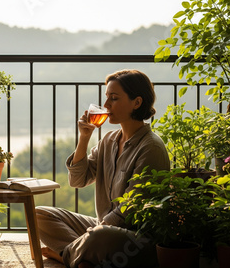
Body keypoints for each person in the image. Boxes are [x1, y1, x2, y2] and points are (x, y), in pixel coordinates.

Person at [36, 69, 170, 268]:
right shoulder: (109, 141)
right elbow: (78, 180)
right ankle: (82, 255)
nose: (106, 105)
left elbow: (129, 211)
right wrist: (84, 138)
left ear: (137, 102)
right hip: (103, 228)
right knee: (39, 215)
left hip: (133, 239)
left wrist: (95, 232)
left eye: (113, 98)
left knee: (101, 235)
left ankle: (67, 255)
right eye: (106, 98)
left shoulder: (151, 148)